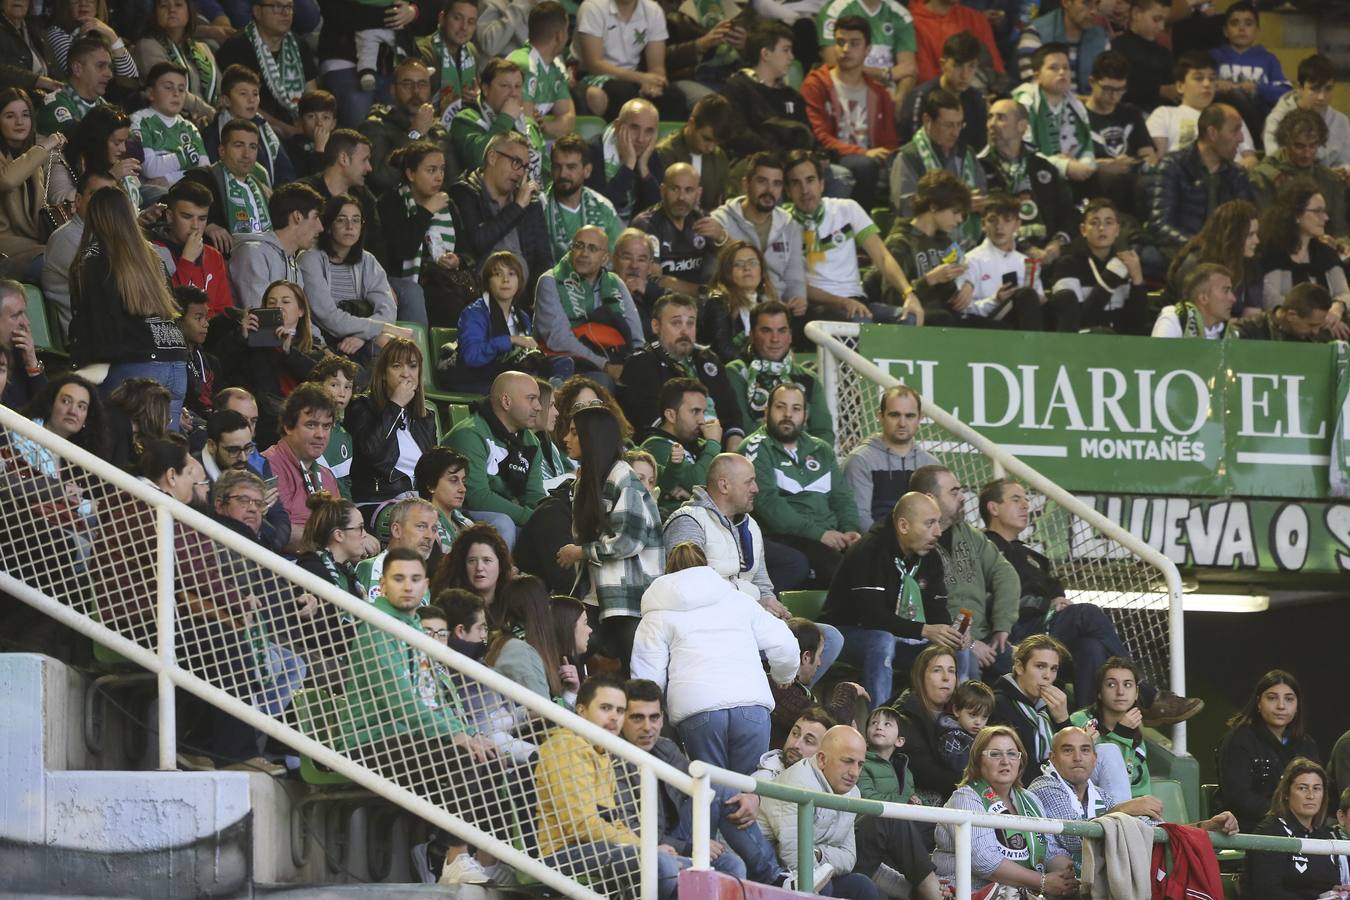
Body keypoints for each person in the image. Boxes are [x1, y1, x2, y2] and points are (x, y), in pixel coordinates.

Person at [980, 477, 1202, 728]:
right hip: (1014, 636)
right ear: (993, 508)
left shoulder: (1033, 556)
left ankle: (1085, 727)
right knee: (1087, 613)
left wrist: (1053, 604)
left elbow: (1056, 591)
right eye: (1016, 499)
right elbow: (992, 598)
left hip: (1047, 632)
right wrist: (1046, 605)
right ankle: (1145, 694)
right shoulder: (981, 549)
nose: (1025, 506)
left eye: (1027, 500)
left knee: (1091, 646)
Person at [631, 541, 799, 775]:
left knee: (709, 795)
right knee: (747, 794)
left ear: (668, 570)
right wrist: (784, 676)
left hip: (696, 708)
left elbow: (647, 675)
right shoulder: (740, 600)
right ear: (707, 567)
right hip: (751, 704)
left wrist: (652, 716)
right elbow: (784, 642)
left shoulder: (657, 613)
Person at [533, 675, 681, 898]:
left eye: (620, 711)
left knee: (698, 867)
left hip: (596, 849)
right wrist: (646, 848)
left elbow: (612, 820)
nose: (614, 717)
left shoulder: (603, 751)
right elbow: (582, 825)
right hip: (562, 852)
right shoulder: (566, 745)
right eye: (605, 708)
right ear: (581, 711)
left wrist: (644, 846)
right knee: (661, 865)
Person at [760, 725, 942, 899]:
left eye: (860, 764)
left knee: (863, 887)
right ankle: (932, 893)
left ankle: (929, 891)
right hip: (779, 872)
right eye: (847, 762)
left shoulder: (853, 791)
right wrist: (819, 856)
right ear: (822, 759)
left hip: (820, 867)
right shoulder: (798, 784)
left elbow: (848, 858)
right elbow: (798, 859)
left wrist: (818, 853)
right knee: (825, 886)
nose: (855, 773)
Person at [822, 490, 961, 708]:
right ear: (904, 526)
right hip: (848, 634)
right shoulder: (870, 550)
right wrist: (924, 630)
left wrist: (951, 631)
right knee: (882, 640)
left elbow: (937, 610)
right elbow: (872, 617)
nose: (938, 532)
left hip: (902, 636)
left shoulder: (930, 555)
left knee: (958, 650)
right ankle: (880, 722)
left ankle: (954, 723)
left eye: (939, 523)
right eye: (930, 523)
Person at [619, 679, 762, 882]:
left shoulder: (665, 747)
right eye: (637, 718)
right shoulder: (614, 758)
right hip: (648, 848)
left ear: (662, 719)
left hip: (676, 835)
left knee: (723, 793)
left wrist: (753, 797)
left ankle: (774, 876)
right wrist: (692, 847)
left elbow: (703, 783)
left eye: (654, 718)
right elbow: (629, 829)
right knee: (728, 866)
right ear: (622, 718)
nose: (647, 727)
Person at [68, 186, 188, 427]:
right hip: (175, 363)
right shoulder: (153, 256)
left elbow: (97, 319)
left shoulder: (93, 256)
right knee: (166, 453)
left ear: (95, 217)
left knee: (122, 453)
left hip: (134, 366)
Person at [556, 403, 663, 667]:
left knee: (637, 670)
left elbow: (628, 541)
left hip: (630, 598)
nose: (565, 439)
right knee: (568, 651)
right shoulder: (586, 481)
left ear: (593, 438)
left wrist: (579, 552)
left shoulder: (623, 478)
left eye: (574, 432)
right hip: (597, 594)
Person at [739, 382, 858, 589]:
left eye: (796, 408)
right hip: (782, 537)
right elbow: (768, 505)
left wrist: (851, 531)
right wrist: (820, 535)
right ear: (767, 411)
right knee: (839, 570)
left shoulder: (822, 450)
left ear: (806, 414)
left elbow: (842, 498)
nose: (788, 414)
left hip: (828, 536)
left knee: (869, 557)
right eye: (780, 407)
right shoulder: (756, 447)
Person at [933, 725, 1077, 895]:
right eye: (995, 754)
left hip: (1019, 892)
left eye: (1011, 754)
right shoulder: (964, 798)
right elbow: (985, 860)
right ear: (978, 761)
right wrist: (1043, 881)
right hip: (967, 891)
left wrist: (1067, 874)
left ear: (1020, 760)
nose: (1005, 761)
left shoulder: (1030, 800)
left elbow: (1049, 850)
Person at [785, 150, 920, 324]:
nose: (804, 190)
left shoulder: (847, 209)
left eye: (810, 180)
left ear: (822, 184)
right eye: (796, 183)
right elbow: (797, 285)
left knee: (910, 317)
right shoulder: (784, 225)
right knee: (860, 321)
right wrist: (841, 302)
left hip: (857, 301)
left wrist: (909, 293)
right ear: (787, 191)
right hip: (818, 307)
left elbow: (882, 257)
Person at [1027, 726, 1171, 869]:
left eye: (1085, 750)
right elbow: (1074, 838)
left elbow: (1145, 825)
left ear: (1094, 759)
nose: (1077, 758)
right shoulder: (1044, 786)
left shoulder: (1100, 794)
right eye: (1068, 750)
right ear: (1053, 758)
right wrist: (1122, 810)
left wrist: (1171, 830)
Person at [207, 279, 326, 447]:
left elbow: (320, 379)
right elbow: (217, 364)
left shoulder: (314, 349)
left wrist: (289, 352)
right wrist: (240, 337)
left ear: (300, 310)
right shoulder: (250, 348)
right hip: (266, 429)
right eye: (271, 302)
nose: (278, 307)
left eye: (285, 301)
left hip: (303, 428)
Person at [617, 293, 744, 445]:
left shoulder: (708, 359)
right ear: (656, 326)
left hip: (716, 448)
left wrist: (732, 452)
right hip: (668, 453)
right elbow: (652, 425)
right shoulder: (641, 363)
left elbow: (731, 416)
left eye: (690, 323)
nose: (685, 331)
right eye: (677, 323)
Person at [447, 130, 554, 306]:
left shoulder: (530, 204)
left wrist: (541, 300)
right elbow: (476, 242)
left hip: (523, 301)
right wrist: (517, 207)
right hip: (478, 297)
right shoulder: (464, 193)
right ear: (492, 157)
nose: (520, 173)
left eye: (525, 167)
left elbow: (543, 259)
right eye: (516, 163)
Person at [443, 369, 545, 547]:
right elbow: (476, 496)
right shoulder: (470, 434)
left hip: (509, 511)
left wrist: (547, 516)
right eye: (531, 398)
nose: (538, 406)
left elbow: (534, 494)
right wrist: (528, 517)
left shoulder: (531, 442)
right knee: (503, 524)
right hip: (463, 512)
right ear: (506, 401)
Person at [802, 15, 898, 202]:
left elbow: (890, 141)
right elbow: (819, 137)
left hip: (872, 160)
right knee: (864, 166)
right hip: (834, 157)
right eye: (840, 42)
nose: (846, 50)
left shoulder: (879, 92)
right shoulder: (816, 85)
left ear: (867, 49)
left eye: (854, 43)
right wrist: (863, 153)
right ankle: (861, 229)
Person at [532, 224, 644, 385]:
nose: (584, 253)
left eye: (592, 248)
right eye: (579, 246)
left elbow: (636, 338)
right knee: (603, 382)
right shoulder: (550, 281)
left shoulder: (615, 283)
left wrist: (636, 366)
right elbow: (559, 339)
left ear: (605, 258)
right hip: (567, 364)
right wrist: (605, 366)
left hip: (616, 358)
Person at [1218, 669, 1321, 832]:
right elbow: (1238, 796)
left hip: (1299, 827)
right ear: (1258, 702)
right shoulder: (1239, 739)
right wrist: (1284, 815)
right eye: (1272, 698)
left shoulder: (1306, 744)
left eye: (1289, 699)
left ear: (1297, 706)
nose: (1281, 706)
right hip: (1249, 829)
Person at [977, 99, 1077, 266]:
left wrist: (1057, 244)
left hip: (1048, 253)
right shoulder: (978, 168)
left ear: (1022, 126)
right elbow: (980, 222)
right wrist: (1026, 248)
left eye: (1001, 118)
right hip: (1001, 254)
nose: (992, 124)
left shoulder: (1042, 166)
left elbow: (1070, 214)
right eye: (990, 117)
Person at [298, 193, 398, 355]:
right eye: (341, 219)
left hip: (358, 340)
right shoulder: (310, 259)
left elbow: (388, 310)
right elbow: (329, 318)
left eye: (356, 220)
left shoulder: (368, 260)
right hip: (325, 340)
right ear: (329, 226)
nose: (350, 226)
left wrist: (361, 337)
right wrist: (372, 330)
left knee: (395, 345)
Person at [376, 140, 462, 329]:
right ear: (410, 174)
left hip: (442, 281)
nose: (439, 177)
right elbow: (403, 249)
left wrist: (457, 260)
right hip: (403, 282)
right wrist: (426, 212)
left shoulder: (448, 205)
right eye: (431, 170)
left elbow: (467, 250)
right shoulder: (391, 202)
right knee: (423, 295)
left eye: (442, 169)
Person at [344, 337, 436, 511]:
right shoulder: (361, 406)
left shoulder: (425, 418)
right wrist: (395, 406)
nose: (406, 373)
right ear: (384, 373)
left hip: (419, 502)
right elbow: (370, 452)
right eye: (396, 366)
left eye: (412, 366)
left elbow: (432, 469)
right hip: (378, 500)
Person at [1149, 103, 1254, 255]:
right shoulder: (1172, 166)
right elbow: (1159, 225)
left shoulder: (1237, 175)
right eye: (1235, 130)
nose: (1241, 138)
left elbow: (1246, 224)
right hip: (1182, 253)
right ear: (1212, 133)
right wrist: (1200, 247)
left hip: (1223, 255)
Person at [710, 153, 808, 314]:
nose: (769, 190)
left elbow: (795, 278)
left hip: (780, 310)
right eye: (762, 181)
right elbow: (712, 277)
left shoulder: (790, 225)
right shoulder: (720, 222)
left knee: (862, 319)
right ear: (745, 184)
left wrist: (798, 300)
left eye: (776, 184)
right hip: (734, 308)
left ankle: (867, 336)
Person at [724, 301, 833, 442]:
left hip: (803, 459)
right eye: (766, 331)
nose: (775, 339)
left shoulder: (808, 377)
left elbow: (824, 433)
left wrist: (804, 457)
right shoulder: (736, 372)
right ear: (752, 334)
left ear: (790, 336)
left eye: (782, 331)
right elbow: (744, 427)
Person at [882, 169, 974, 327]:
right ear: (934, 207)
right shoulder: (900, 242)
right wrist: (930, 279)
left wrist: (966, 287)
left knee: (999, 327)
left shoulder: (947, 243)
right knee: (943, 319)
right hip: (916, 319)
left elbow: (950, 294)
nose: (959, 220)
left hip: (948, 318)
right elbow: (890, 298)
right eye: (955, 212)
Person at [214, 0, 319, 139]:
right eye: (277, 6)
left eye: (289, 7)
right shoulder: (236, 47)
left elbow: (313, 97)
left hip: (299, 127)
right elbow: (238, 104)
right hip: (254, 130)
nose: (285, 13)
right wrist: (287, 130)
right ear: (257, 12)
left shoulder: (299, 45)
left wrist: (314, 125)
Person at [1247, 758, 1348, 900]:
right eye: (1303, 788)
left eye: (1317, 788)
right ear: (1286, 793)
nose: (1311, 796)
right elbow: (1267, 891)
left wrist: (1333, 890)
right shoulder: (1269, 832)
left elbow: (1319, 884)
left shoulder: (1325, 836)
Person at [891, 86, 985, 237]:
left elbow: (981, 194)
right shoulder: (908, 157)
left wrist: (980, 203)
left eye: (959, 124)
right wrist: (958, 206)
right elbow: (906, 208)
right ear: (927, 120)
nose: (955, 132)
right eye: (948, 125)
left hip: (968, 241)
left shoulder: (967, 153)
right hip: (923, 243)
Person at [1047, 196, 1150, 333]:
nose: (1102, 228)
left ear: (1117, 230)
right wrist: (1110, 279)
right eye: (1094, 223)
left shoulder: (1127, 264)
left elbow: (1137, 325)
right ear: (1083, 230)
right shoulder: (1067, 265)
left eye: (1109, 222)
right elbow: (1076, 323)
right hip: (1082, 343)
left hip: (1121, 344)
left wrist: (1138, 280)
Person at [843, 385, 939, 530]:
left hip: (922, 546)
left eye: (910, 416)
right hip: (875, 547)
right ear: (880, 417)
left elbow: (938, 516)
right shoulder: (860, 460)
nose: (902, 423)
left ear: (920, 418)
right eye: (894, 415)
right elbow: (859, 518)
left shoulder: (931, 465)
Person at [449, 251, 545, 394]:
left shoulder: (522, 316)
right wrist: (511, 340)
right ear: (487, 281)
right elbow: (471, 356)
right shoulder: (474, 313)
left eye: (512, 274)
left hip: (511, 381)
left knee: (560, 365)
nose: (505, 280)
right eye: (498, 274)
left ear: (519, 281)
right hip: (477, 380)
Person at [259, 382, 340, 551]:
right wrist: (335, 543)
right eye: (311, 425)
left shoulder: (327, 476)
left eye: (326, 426)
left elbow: (341, 523)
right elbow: (279, 531)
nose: (320, 435)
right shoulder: (267, 466)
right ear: (288, 426)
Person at [573, 0, 683, 121]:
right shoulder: (592, 7)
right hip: (592, 74)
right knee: (623, 94)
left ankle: (661, 140)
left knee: (673, 96)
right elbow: (594, 64)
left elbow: (657, 67)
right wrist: (641, 78)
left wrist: (654, 83)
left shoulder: (653, 10)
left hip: (634, 75)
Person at [722, 23, 818, 161]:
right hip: (755, 164)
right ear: (766, 54)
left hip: (794, 165)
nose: (791, 57)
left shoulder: (792, 96)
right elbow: (738, 134)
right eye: (786, 50)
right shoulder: (737, 88)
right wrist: (780, 155)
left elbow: (807, 135)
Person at [200, 407, 292, 551]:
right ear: (212, 446)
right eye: (233, 450)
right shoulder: (193, 474)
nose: (243, 458)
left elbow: (281, 519)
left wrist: (268, 549)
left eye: (248, 448)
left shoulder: (251, 471)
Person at [0, 88, 68, 281]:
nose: (20, 122)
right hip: (5, 246)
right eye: (10, 116)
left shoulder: (32, 156)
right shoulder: (36, 154)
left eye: (25, 115)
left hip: (31, 241)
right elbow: (7, 180)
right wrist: (44, 146)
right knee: (55, 266)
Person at [359, 58, 454, 197]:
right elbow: (382, 178)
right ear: (393, 90)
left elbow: (452, 181)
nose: (415, 91)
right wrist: (415, 133)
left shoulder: (438, 130)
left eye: (422, 84)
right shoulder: (375, 126)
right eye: (407, 84)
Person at [42, 168, 119, 338]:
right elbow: (110, 287)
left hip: (113, 336)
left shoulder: (110, 236)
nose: (103, 204)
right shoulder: (65, 237)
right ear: (78, 200)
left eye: (109, 198)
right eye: (96, 196)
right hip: (85, 341)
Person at [1146, 53, 1257, 167]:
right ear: (1180, 86)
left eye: (1212, 79)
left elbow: (1251, 160)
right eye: (1199, 78)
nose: (1207, 84)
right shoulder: (1164, 114)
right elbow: (1155, 161)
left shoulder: (1230, 115)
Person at [631, 163, 724, 297]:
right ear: (662, 190)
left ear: (698, 193)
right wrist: (703, 291)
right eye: (675, 189)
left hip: (700, 302)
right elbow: (655, 281)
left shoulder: (702, 218)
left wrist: (722, 237)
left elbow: (734, 260)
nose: (681, 197)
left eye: (689, 190)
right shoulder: (646, 224)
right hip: (663, 303)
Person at [448, 57, 545, 186]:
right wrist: (505, 119)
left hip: (532, 198)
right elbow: (479, 160)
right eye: (505, 86)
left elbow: (545, 172)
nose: (513, 93)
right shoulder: (465, 119)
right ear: (486, 89)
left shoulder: (528, 124)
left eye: (517, 86)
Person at [1261, 180, 1350, 320]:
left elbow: (1344, 293)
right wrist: (1312, 317)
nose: (1326, 218)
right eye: (1317, 211)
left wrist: (1336, 309)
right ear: (1296, 214)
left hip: (1329, 326)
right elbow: (1270, 299)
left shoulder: (1326, 253)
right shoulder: (1273, 252)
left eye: (1324, 211)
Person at [1253, 110, 1348, 240]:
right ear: (1285, 143)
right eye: (1299, 146)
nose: (1307, 153)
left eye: (1313, 145)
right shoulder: (1264, 177)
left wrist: (1340, 246)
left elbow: (1339, 231)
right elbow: (1266, 230)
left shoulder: (1330, 179)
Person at [228, 182, 325, 308]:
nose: (321, 227)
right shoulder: (253, 253)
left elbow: (301, 318)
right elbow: (261, 316)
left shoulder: (292, 263)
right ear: (298, 217)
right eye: (315, 217)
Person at [296, 128, 385, 263]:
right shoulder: (304, 193)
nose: (369, 168)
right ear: (343, 158)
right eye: (364, 160)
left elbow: (376, 246)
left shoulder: (364, 197)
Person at [484, 577, 579, 702]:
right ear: (539, 609)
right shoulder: (519, 651)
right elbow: (543, 713)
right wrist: (570, 696)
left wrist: (571, 692)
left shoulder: (507, 642)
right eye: (546, 603)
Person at [960, 193, 1046, 328]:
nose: (999, 226)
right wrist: (995, 300)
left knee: (1065, 298)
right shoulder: (970, 260)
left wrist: (1040, 299)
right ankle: (1034, 347)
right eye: (992, 220)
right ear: (983, 224)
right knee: (1025, 295)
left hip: (1024, 320)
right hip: (990, 325)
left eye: (1007, 220)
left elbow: (1039, 299)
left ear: (1017, 225)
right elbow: (963, 311)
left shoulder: (1026, 262)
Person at [638, 378, 721, 517]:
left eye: (703, 412)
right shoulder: (655, 446)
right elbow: (698, 484)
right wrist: (713, 443)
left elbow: (724, 489)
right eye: (695, 411)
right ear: (671, 415)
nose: (702, 420)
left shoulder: (700, 444)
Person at [770, 617, 862, 744]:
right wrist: (848, 689)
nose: (819, 663)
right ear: (806, 657)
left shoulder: (778, 682)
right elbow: (832, 722)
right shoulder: (779, 688)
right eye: (819, 655)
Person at [202, 65, 295, 190]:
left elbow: (285, 172)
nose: (251, 100)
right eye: (243, 94)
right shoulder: (213, 134)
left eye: (255, 94)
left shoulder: (264, 129)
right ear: (226, 100)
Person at [182, 118, 273, 245]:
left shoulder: (262, 189)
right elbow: (172, 207)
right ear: (222, 151)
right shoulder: (201, 179)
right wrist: (207, 225)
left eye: (253, 147)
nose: (247, 154)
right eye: (239, 145)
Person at [817, 0, 917, 109]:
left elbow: (909, 70)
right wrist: (886, 74)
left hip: (888, 97)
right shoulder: (835, 10)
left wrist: (899, 99)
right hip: (845, 91)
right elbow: (835, 64)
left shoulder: (900, 14)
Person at [159, 180, 237, 318]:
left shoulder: (213, 255)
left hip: (212, 335)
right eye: (187, 217)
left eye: (202, 219)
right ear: (170, 216)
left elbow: (225, 310)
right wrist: (187, 261)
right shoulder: (154, 251)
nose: (195, 226)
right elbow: (169, 307)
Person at [133, 0, 220, 122]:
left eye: (178, 5)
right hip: (168, 122)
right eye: (164, 6)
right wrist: (211, 114)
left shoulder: (203, 48)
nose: (171, 10)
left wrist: (222, 115)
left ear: (189, 11)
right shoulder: (147, 46)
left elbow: (221, 91)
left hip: (208, 122)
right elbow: (167, 88)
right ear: (155, 13)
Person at [897, 32, 987, 148]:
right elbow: (909, 145)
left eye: (971, 66)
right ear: (943, 64)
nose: (965, 75)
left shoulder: (977, 99)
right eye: (957, 65)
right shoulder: (920, 97)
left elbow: (979, 147)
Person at [1263, 54, 1350, 173]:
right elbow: (1276, 164)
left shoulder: (1341, 121)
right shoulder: (1276, 120)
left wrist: (1341, 173)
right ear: (1299, 88)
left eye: (1328, 89)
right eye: (1314, 89)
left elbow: (1346, 163)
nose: (1321, 97)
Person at [541, 134, 622, 260]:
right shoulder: (539, 206)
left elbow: (619, 256)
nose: (563, 174)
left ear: (587, 170)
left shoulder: (603, 207)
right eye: (557, 167)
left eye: (571, 167)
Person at [130, 62, 208, 191]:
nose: (176, 93)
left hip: (186, 192)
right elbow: (149, 168)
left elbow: (204, 170)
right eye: (168, 87)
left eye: (181, 89)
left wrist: (170, 178)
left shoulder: (190, 128)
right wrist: (186, 159)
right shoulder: (139, 120)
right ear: (150, 93)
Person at [584, 97, 664, 221]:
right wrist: (628, 166)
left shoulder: (649, 154)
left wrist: (643, 168)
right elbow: (600, 211)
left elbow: (657, 211)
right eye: (634, 128)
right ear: (617, 126)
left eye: (649, 131)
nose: (641, 139)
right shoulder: (593, 152)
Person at [506, 1, 576, 141]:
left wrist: (546, 126)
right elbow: (524, 124)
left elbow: (569, 119)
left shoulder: (555, 67)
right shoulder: (522, 64)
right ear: (560, 36)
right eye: (567, 30)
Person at [700, 241, 776, 363]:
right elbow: (724, 351)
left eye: (753, 263)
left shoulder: (764, 301)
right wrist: (762, 362)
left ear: (762, 270)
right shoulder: (718, 303)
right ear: (727, 272)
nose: (747, 268)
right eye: (738, 264)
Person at [353, 496, 439, 603]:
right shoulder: (369, 569)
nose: (430, 536)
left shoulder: (422, 580)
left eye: (434, 529)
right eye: (421, 526)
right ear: (396, 530)